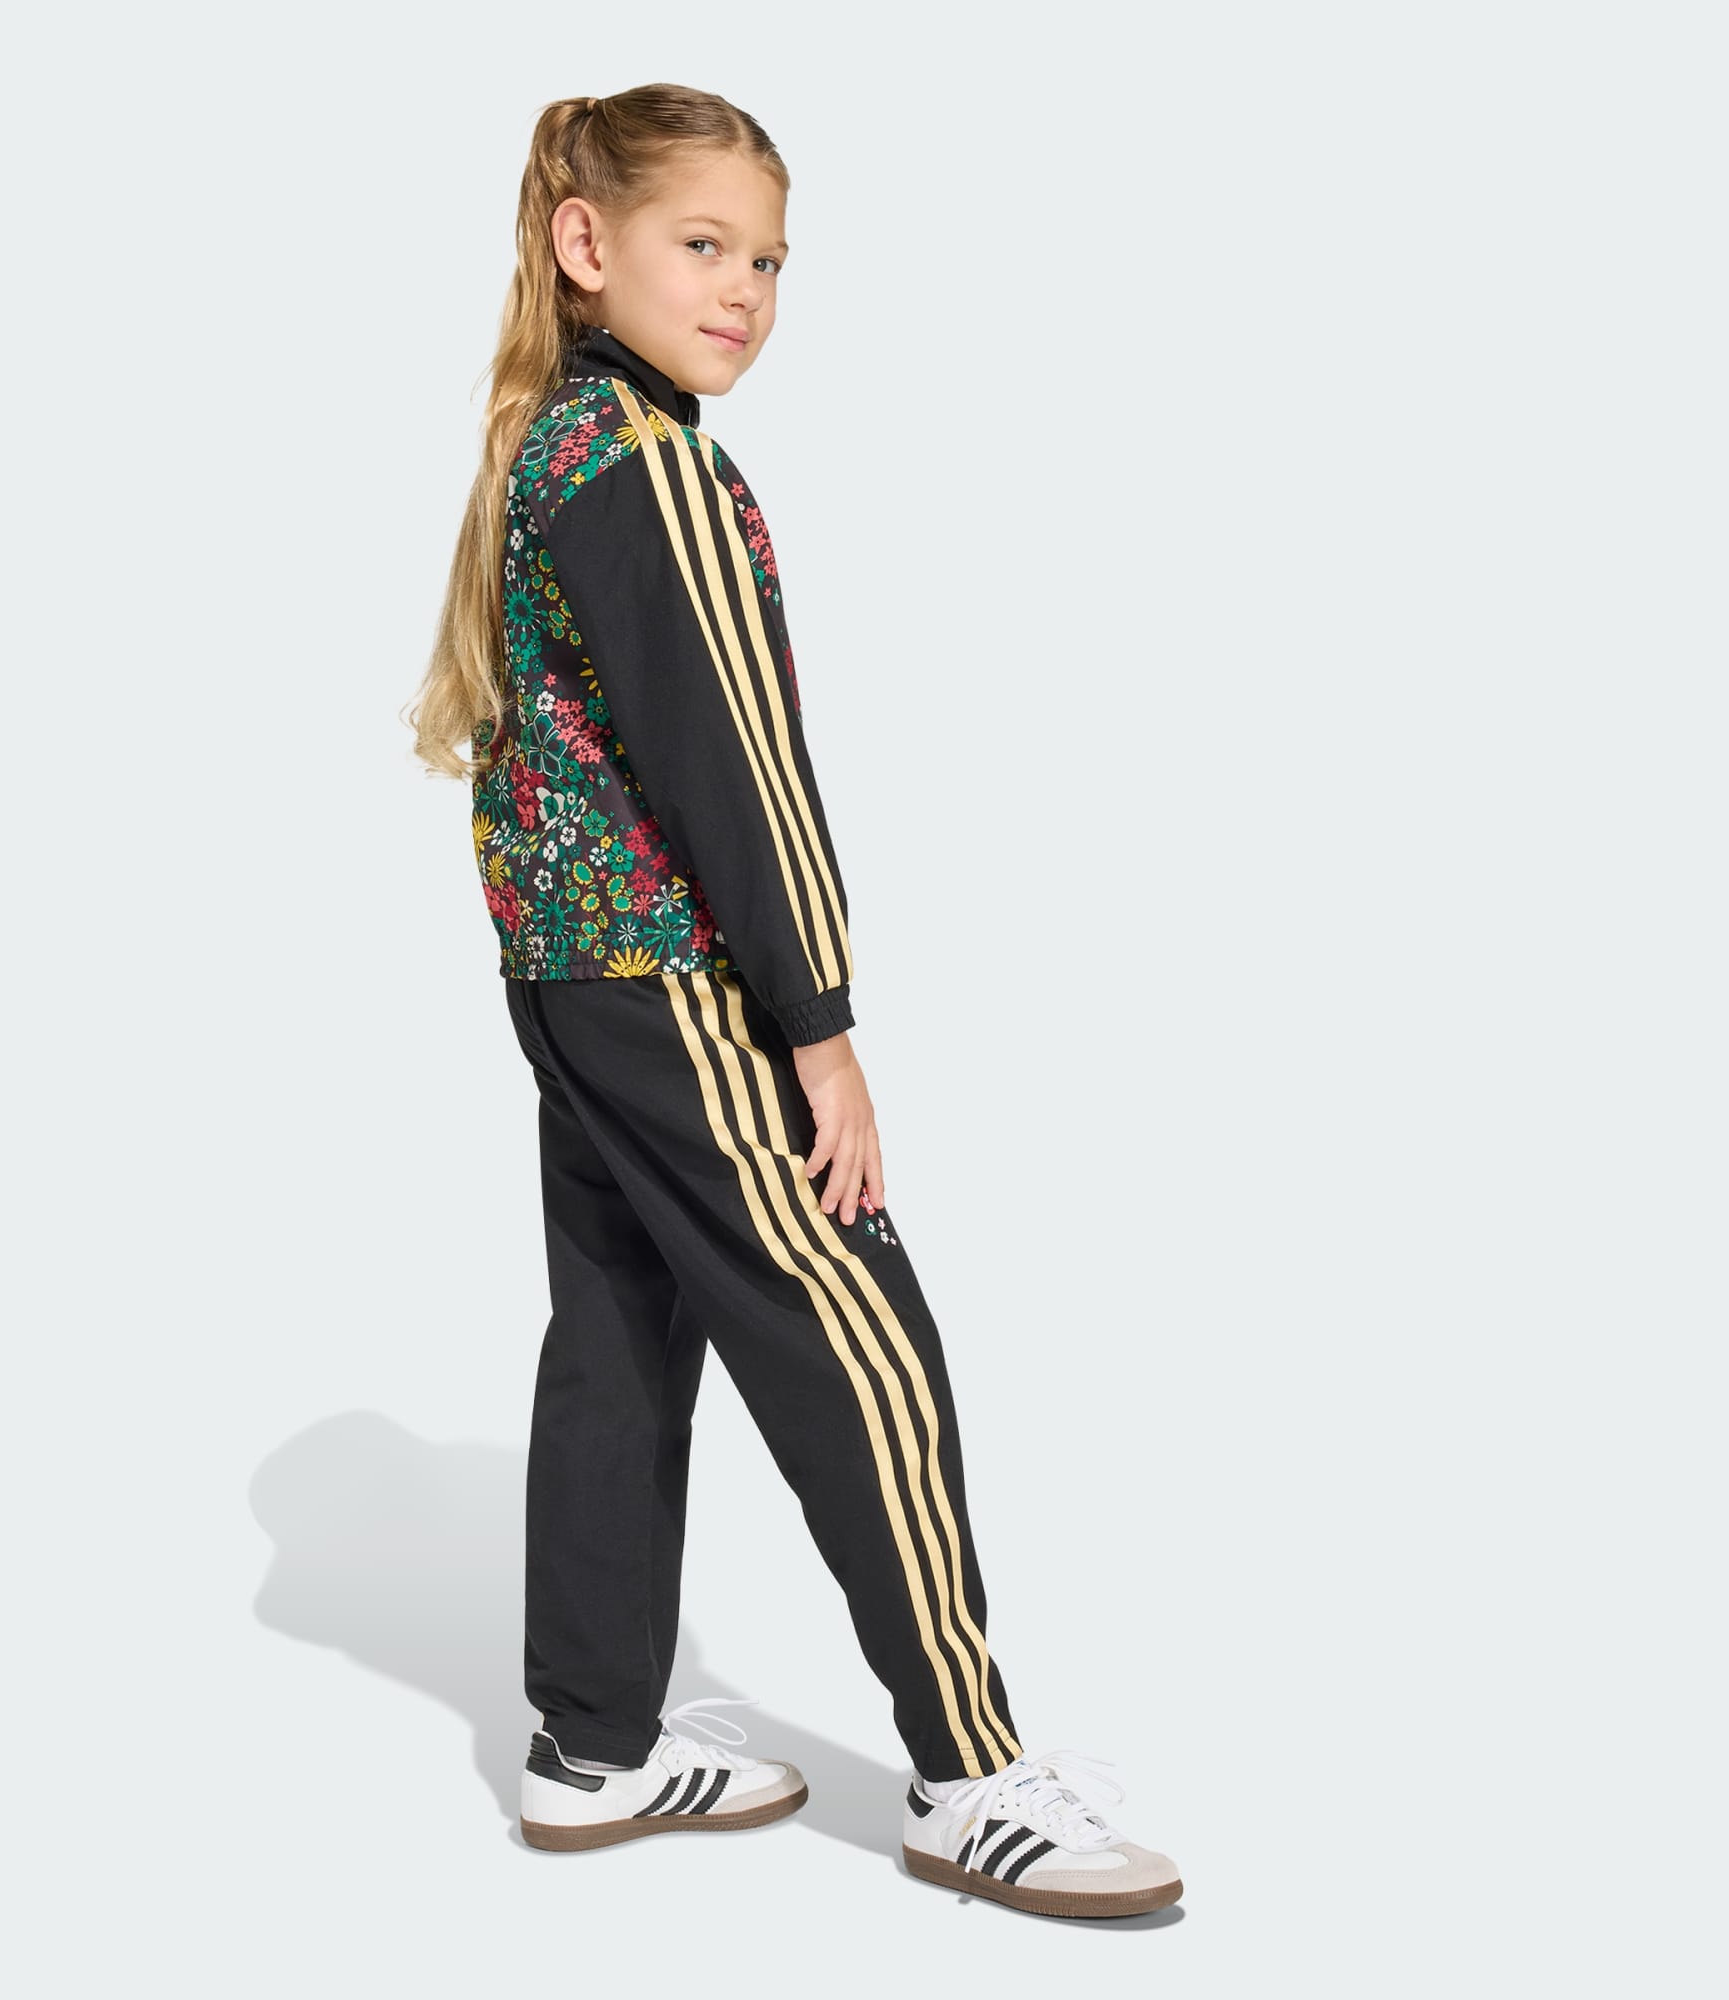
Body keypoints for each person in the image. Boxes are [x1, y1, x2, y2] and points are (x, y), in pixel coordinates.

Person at [404, 81, 1184, 1920]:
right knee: (861, 1333)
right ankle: (970, 1774)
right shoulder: (646, 464)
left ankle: (593, 1747)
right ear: (585, 245)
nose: (744, 290)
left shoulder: (559, 440)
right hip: (675, 977)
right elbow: (735, 772)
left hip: (569, 972)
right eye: (703, 245)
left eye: (769, 260)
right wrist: (819, 1026)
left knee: (621, 1330)